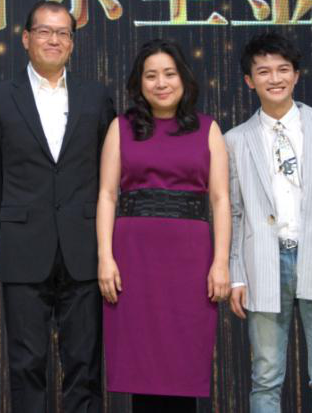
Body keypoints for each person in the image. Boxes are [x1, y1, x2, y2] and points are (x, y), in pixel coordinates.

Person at [0, 1, 116, 412]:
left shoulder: (95, 97)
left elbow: (110, 172)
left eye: (63, 33)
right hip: (23, 247)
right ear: (26, 39)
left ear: (72, 42)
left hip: (84, 248)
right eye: (44, 31)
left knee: (84, 365)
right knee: (26, 365)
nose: (54, 39)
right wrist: (15, 223)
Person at [225, 32, 312, 413]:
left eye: (283, 69)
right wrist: (236, 274)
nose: (275, 78)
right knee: (266, 376)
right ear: (249, 80)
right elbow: (234, 213)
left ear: (296, 75)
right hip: (263, 264)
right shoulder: (235, 140)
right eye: (264, 71)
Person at [97, 38, 231, 412]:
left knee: (184, 361)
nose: (161, 83)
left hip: (191, 260)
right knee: (142, 363)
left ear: (183, 78)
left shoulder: (208, 128)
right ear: (139, 83)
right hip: (134, 258)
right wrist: (105, 257)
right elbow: (107, 195)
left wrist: (221, 262)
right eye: (151, 75)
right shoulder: (121, 128)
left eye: (169, 74)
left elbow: (221, 199)